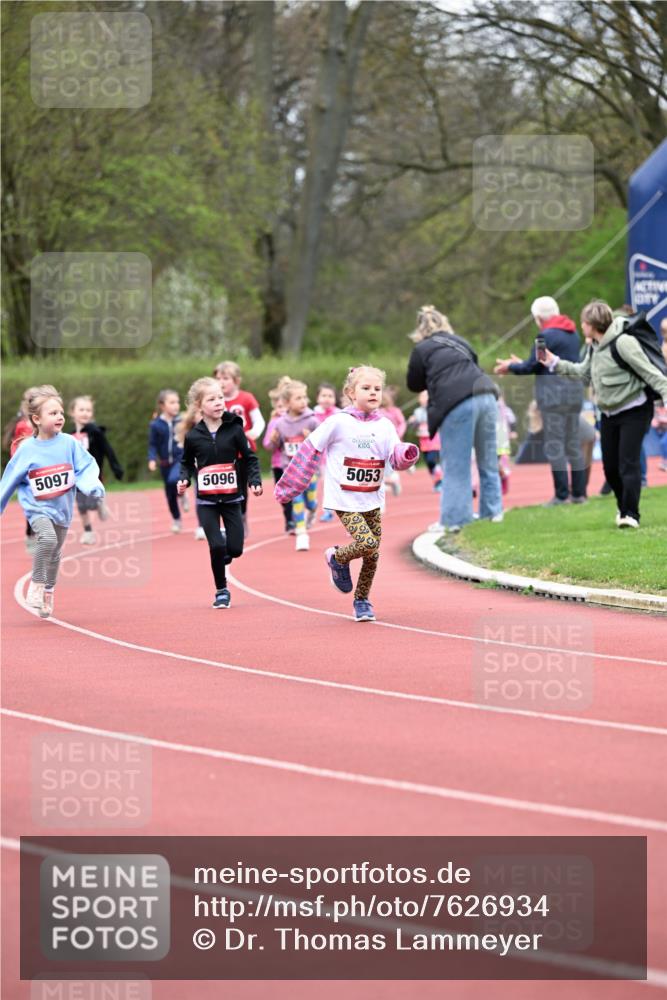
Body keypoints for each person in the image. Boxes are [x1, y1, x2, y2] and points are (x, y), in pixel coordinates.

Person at [275, 365, 419, 622]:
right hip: (344, 499)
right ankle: (336, 557)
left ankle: (362, 601)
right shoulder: (337, 422)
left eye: (377, 388)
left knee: (372, 554)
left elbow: (394, 456)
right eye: (366, 388)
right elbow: (309, 450)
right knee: (367, 543)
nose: (373, 392)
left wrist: (406, 453)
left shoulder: (385, 425)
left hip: (372, 498)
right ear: (351, 393)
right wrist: (291, 485)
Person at [542, 300, 667, 528]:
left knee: (628, 463)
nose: (581, 326)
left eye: (583, 322)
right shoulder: (594, 346)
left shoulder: (624, 342)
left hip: (634, 410)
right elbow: (583, 373)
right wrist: (555, 363)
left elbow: (651, 373)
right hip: (609, 413)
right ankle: (623, 507)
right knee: (610, 467)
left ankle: (631, 514)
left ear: (592, 324)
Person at [0, 385, 104, 619]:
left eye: (60, 413)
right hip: (37, 508)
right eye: (52, 413)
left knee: (55, 554)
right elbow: (9, 479)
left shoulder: (69, 443)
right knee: (46, 538)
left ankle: (49, 591)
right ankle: (36, 585)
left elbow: (86, 467)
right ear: (36, 419)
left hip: (62, 509)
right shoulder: (27, 449)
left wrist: (92, 485)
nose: (59, 417)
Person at [406, 305, 503, 533]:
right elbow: (474, 365)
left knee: (456, 465)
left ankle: (455, 520)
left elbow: (413, 383)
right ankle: (493, 513)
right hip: (487, 396)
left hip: (457, 403)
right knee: (488, 460)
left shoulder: (422, 348)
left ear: (420, 329)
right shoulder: (461, 341)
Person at [177, 377, 262, 608]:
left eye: (221, 397)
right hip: (206, 501)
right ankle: (221, 590)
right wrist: (184, 478)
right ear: (198, 405)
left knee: (235, 549)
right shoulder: (193, 436)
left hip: (232, 498)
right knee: (215, 546)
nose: (218, 402)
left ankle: (223, 552)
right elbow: (185, 462)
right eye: (211, 399)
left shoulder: (235, 429)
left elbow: (251, 458)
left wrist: (254, 480)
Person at [495, 295, 587, 505]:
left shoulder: (544, 335)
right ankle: (579, 494)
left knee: (555, 446)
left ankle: (561, 495)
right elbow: (538, 363)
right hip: (573, 394)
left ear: (538, 317)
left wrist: (510, 366)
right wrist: (523, 363)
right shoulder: (573, 333)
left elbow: (531, 367)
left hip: (553, 397)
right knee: (573, 444)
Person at [214, 361, 265, 537]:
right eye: (218, 378)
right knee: (226, 488)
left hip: (243, 452)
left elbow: (259, 421)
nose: (221, 382)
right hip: (222, 454)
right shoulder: (215, 400)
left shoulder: (246, 398)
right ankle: (229, 521)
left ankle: (241, 516)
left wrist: (252, 434)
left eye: (225, 378)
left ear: (236, 380)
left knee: (242, 489)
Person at [270, 379, 319, 551]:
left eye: (305, 397)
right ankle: (301, 532)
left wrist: (311, 437)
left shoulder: (312, 421)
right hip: (290, 470)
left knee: (310, 502)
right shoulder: (281, 423)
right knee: (296, 499)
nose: (304, 401)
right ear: (286, 403)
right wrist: (274, 440)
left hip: (310, 470)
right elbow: (272, 446)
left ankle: (312, 510)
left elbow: (323, 442)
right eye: (298, 398)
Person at [69, 395, 123, 544]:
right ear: (72, 412)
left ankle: (99, 503)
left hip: (93, 475)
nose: (85, 413)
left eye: (88, 410)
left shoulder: (95, 431)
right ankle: (88, 532)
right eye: (81, 410)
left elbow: (108, 450)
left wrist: (115, 467)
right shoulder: (69, 435)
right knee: (81, 505)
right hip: (77, 476)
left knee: (91, 503)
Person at [3, 386, 38, 551]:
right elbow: (13, 444)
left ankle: (38, 533)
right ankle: (31, 533)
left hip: (42, 466)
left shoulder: (45, 419)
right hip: (26, 468)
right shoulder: (21, 423)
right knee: (32, 500)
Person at [148, 389, 188, 534]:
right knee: (170, 495)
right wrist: (152, 459)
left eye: (177, 402)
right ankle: (176, 519)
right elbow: (152, 444)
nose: (176, 405)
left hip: (181, 459)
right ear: (162, 405)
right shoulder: (156, 425)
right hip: (165, 463)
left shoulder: (183, 421)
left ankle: (182, 493)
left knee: (174, 480)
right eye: (172, 402)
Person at [263, 384, 295, 535]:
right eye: (279, 406)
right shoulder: (274, 422)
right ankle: (288, 518)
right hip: (278, 465)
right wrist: (273, 439)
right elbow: (267, 445)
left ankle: (293, 520)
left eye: (284, 406)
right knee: (283, 496)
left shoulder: (297, 421)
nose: (282, 409)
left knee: (295, 494)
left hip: (294, 465)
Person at [314, 382, 341, 521]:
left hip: (334, 456)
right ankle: (312, 507)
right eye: (323, 395)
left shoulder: (339, 414)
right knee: (318, 483)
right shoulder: (313, 414)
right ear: (318, 398)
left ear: (335, 399)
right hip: (318, 456)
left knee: (330, 483)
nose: (326, 398)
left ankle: (328, 510)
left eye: (330, 396)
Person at [407, 390, 442, 490]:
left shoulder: (434, 409)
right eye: (422, 396)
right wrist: (412, 422)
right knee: (429, 464)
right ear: (419, 399)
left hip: (434, 439)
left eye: (426, 396)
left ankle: (439, 481)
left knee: (432, 460)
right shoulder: (417, 412)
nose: (424, 398)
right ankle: (437, 480)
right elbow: (414, 427)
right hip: (423, 441)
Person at [379, 386, 407, 498]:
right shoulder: (378, 411)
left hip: (394, 444)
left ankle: (391, 479)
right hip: (380, 443)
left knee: (389, 464)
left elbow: (402, 423)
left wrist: (398, 434)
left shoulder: (396, 411)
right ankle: (390, 481)